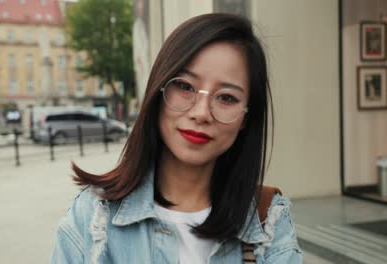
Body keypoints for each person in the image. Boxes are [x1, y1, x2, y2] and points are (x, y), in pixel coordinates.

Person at [51, 13, 303, 264]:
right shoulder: (93, 216)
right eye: (185, 86)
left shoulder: (268, 221)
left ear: (246, 118)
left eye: (227, 97)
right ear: (158, 90)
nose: (201, 113)